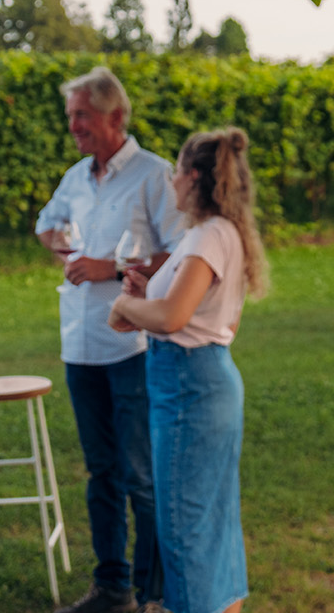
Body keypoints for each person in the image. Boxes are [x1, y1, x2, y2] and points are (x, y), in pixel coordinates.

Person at [36, 66, 187, 613]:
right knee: (100, 473)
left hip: (130, 347)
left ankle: (155, 593)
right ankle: (111, 586)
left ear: (115, 116)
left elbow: (180, 250)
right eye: (71, 115)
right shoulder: (78, 176)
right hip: (80, 345)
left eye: (82, 115)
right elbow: (45, 223)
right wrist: (66, 251)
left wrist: (108, 266)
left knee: (140, 476)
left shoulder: (153, 174)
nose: (73, 125)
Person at [109, 128, 268, 613]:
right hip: (204, 379)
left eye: (177, 170)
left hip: (188, 389)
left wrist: (126, 305)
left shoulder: (206, 237)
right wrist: (140, 301)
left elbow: (173, 318)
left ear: (194, 177)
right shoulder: (219, 234)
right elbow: (215, 318)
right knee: (211, 519)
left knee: (184, 526)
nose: (171, 179)